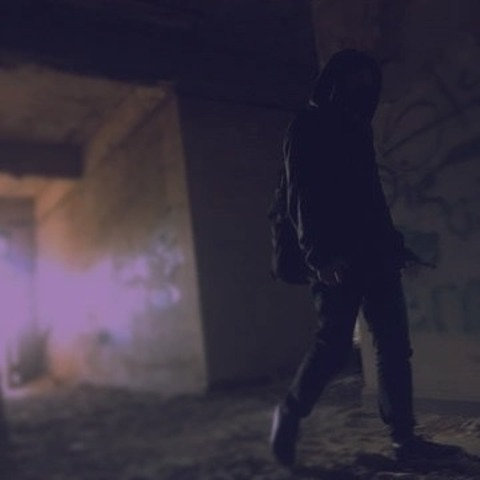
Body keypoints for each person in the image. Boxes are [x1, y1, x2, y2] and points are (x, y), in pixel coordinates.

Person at [270, 49, 461, 467]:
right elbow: (302, 195)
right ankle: (290, 413)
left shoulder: (359, 128)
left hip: (377, 257)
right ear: (333, 84)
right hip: (335, 260)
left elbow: (370, 197)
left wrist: (395, 245)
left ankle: (403, 439)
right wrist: (319, 257)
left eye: (368, 85)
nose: (362, 92)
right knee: (333, 347)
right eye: (354, 83)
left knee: (394, 347)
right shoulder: (307, 126)